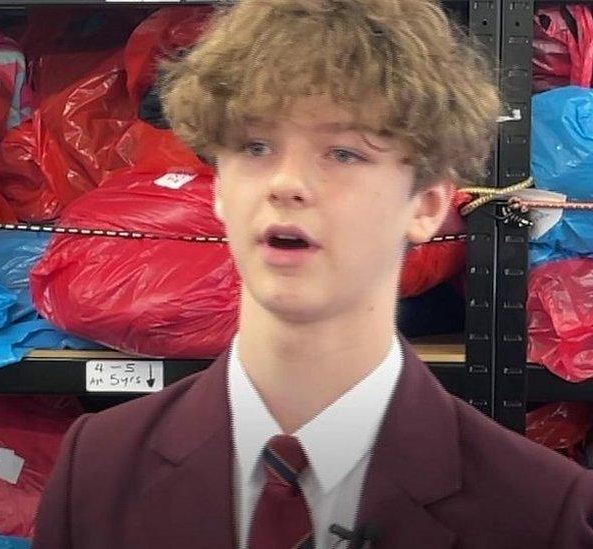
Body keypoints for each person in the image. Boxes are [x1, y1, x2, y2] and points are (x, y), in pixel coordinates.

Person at [33, 0, 593, 547]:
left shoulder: (539, 514)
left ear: (426, 205)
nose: (286, 182)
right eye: (256, 146)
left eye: (344, 152)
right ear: (220, 189)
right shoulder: (97, 470)